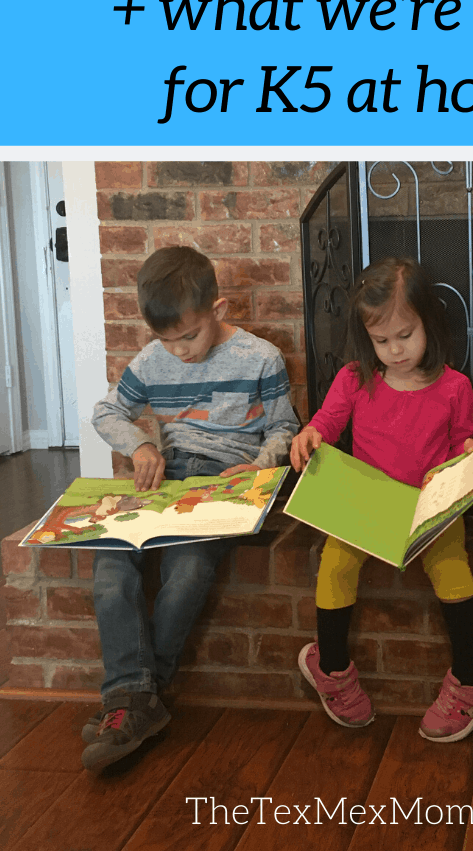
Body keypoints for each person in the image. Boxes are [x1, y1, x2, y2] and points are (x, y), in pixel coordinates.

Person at [81, 246, 298, 771]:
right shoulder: (154, 360)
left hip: (225, 483)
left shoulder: (261, 357)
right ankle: (139, 700)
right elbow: (106, 410)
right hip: (166, 477)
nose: (178, 352)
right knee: (110, 564)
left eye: (189, 336)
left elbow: (284, 427)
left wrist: (262, 465)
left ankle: (128, 702)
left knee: (187, 570)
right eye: (166, 340)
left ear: (218, 311)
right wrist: (140, 445)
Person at [290, 256, 473, 742]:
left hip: (428, 509)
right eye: (381, 341)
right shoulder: (354, 380)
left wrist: (468, 456)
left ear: (430, 322)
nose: (394, 350)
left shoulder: (455, 387)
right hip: (367, 507)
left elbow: (462, 444)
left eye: (405, 335)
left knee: (451, 567)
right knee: (336, 562)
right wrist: (310, 435)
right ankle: (332, 670)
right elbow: (326, 424)